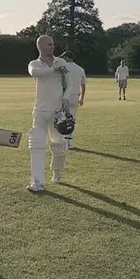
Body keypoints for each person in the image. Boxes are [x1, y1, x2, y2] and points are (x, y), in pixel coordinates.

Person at [27, 35, 72, 190]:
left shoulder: (62, 62)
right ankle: (37, 181)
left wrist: (66, 98)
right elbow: (35, 72)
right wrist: (53, 69)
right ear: (40, 46)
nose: (53, 47)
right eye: (49, 44)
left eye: (53, 44)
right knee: (36, 143)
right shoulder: (34, 64)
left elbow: (69, 84)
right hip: (40, 110)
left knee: (58, 144)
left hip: (57, 112)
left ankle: (57, 172)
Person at [60, 51, 86, 150]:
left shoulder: (63, 67)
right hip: (75, 96)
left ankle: (61, 141)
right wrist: (82, 98)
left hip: (63, 96)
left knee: (61, 118)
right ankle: (68, 143)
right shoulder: (80, 69)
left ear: (67, 57)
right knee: (71, 119)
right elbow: (83, 85)